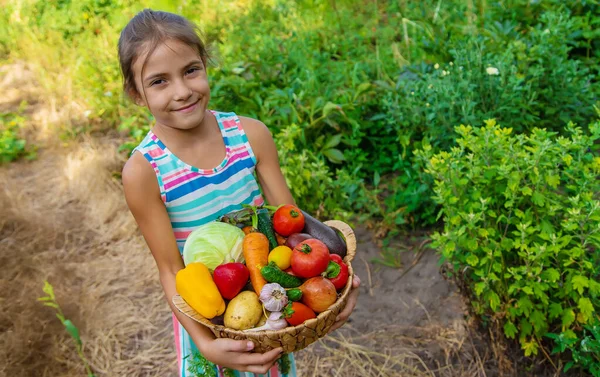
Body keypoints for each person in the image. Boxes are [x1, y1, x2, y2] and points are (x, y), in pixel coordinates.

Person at [119, 9, 360, 377]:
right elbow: (170, 269)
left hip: (268, 311)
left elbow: (291, 226)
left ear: (205, 64)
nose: (182, 91)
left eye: (190, 70)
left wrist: (336, 282)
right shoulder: (144, 172)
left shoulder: (250, 135)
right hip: (210, 318)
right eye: (159, 82)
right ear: (137, 94)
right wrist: (205, 344)